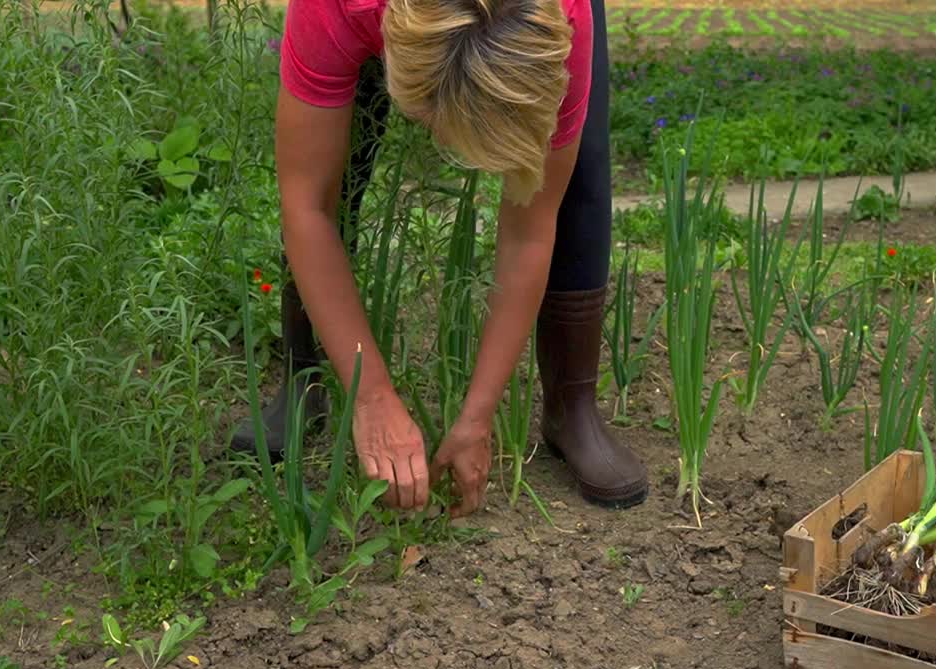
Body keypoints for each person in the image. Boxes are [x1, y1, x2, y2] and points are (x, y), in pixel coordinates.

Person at [229, 0, 648, 516]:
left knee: (576, 168)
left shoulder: (562, 21)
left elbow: (530, 231)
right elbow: (307, 205)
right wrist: (371, 398)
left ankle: (571, 408)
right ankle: (304, 377)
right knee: (335, 165)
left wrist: (477, 417)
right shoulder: (336, 6)